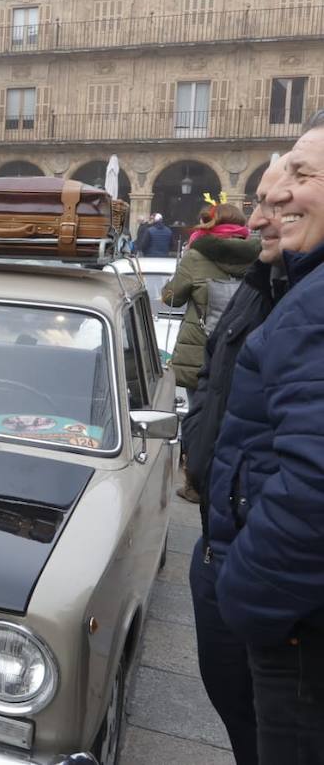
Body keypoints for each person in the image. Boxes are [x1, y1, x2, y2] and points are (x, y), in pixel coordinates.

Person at [208, 118, 324, 762]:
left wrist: (247, 596)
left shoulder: (313, 301)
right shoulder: (292, 286)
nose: (271, 205)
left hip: (295, 625)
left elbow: (316, 483)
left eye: (302, 177)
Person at [184, 160, 289, 765]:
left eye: (274, 206)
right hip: (222, 538)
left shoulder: (296, 293)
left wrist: (248, 578)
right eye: (256, 204)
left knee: (273, 727)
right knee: (240, 714)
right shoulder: (263, 281)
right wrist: (200, 439)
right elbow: (215, 378)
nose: (257, 219)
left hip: (258, 561)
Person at [163, 202, 259, 392]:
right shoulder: (260, 255)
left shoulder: (196, 256)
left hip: (199, 353)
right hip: (245, 349)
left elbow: (171, 298)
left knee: (198, 413)